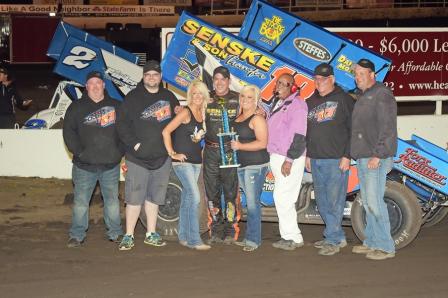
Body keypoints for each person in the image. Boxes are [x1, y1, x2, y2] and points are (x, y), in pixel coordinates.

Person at [117, 60, 180, 251]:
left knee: (155, 198)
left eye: (155, 74)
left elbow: (178, 122)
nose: (152, 78)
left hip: (161, 158)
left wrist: (171, 148)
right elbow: (121, 125)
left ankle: (150, 233)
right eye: (148, 75)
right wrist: (135, 144)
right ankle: (128, 235)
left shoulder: (169, 97)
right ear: (144, 77)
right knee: (134, 198)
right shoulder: (132, 97)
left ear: (160, 77)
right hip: (137, 159)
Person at [63, 71, 124, 248]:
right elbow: (68, 133)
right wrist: (80, 153)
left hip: (110, 166)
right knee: (81, 202)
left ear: (104, 86)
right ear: (86, 86)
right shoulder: (76, 107)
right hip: (84, 166)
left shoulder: (116, 106)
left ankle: (115, 232)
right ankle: (77, 235)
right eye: (92, 83)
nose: (96, 86)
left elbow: (125, 132)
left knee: (112, 201)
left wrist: (118, 153)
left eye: (99, 83)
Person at [305, 63, 354, 256]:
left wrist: (347, 155)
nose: (319, 82)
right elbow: (308, 130)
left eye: (323, 79)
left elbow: (354, 129)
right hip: (316, 158)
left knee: (335, 201)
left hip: (336, 160)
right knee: (323, 202)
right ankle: (336, 236)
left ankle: (332, 239)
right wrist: (308, 153)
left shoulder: (344, 100)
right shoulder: (311, 101)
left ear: (331, 79)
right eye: (316, 79)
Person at [350, 58, 397, 260]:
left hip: (375, 157)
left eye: (362, 74)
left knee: (375, 202)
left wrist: (378, 155)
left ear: (372, 75)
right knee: (368, 202)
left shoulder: (382, 94)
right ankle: (371, 241)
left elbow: (388, 128)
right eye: (356, 74)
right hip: (363, 156)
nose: (357, 77)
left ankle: (386, 247)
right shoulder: (364, 96)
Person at [161, 80, 210, 251]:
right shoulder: (186, 112)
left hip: (196, 162)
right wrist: (172, 153)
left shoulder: (202, 113)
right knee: (195, 198)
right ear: (190, 96)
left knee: (187, 199)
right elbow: (166, 131)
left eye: (200, 93)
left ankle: (182, 236)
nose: (197, 96)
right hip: (182, 163)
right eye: (194, 93)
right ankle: (194, 239)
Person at [267, 73, 308, 251]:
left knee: (283, 197)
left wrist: (289, 160)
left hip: (289, 157)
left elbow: (299, 135)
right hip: (277, 156)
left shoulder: (297, 104)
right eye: (279, 83)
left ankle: (293, 237)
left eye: (286, 84)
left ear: (293, 87)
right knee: (284, 197)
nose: (281, 87)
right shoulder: (279, 103)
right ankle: (288, 236)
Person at [203, 66, 240, 245]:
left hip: (229, 150)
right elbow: (192, 109)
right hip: (210, 150)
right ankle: (216, 229)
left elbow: (251, 112)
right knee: (212, 192)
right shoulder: (205, 98)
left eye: (222, 79)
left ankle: (231, 228)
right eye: (216, 79)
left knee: (231, 192)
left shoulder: (238, 99)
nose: (219, 82)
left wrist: (259, 111)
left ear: (228, 81)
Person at [231, 85, 270, 252]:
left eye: (249, 97)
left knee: (253, 204)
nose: (245, 100)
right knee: (249, 203)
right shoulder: (237, 118)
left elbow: (262, 143)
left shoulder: (257, 119)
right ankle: (249, 237)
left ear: (256, 101)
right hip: (241, 165)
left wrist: (239, 146)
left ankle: (253, 240)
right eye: (243, 97)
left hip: (255, 165)